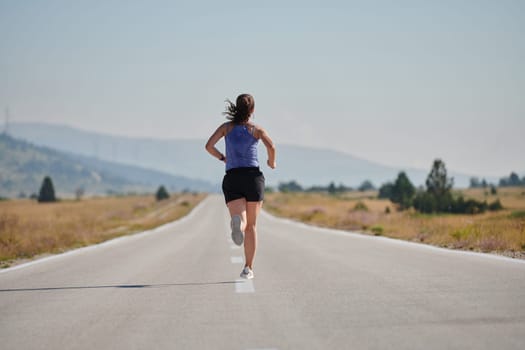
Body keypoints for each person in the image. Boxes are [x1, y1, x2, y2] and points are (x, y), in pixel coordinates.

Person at [205, 93, 276, 279]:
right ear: (252, 110)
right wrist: (271, 162)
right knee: (252, 226)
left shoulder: (226, 128)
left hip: (233, 177)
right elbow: (272, 146)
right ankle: (248, 268)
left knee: (242, 219)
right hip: (253, 178)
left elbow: (209, 146)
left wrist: (222, 157)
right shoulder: (256, 129)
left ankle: (239, 224)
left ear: (236, 107)